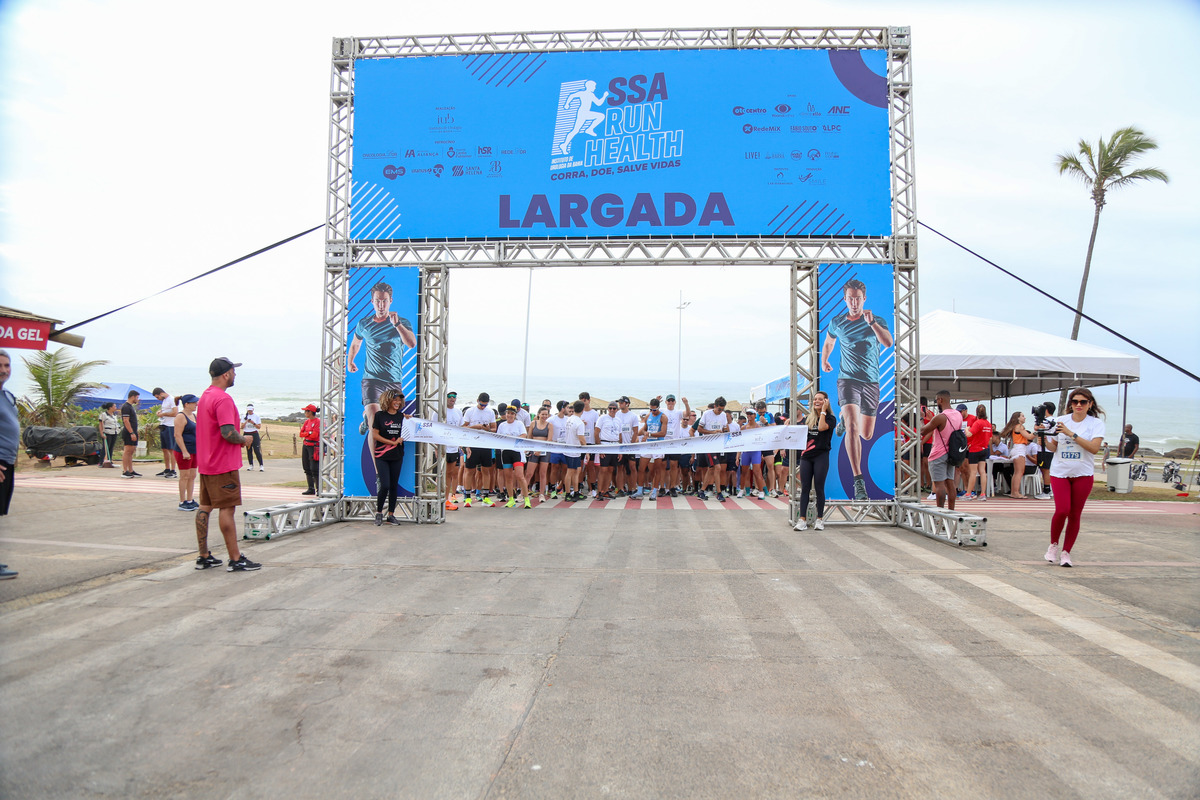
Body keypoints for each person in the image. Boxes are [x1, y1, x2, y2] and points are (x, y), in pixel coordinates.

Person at [822, 278, 893, 501]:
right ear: (845, 299)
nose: (854, 302)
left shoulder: (876, 320)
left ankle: (844, 418)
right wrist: (825, 359)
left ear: (864, 299)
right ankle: (858, 481)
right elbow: (829, 342)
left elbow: (888, 343)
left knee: (866, 434)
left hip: (871, 382)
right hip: (847, 380)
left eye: (858, 299)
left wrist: (872, 324)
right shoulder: (837, 322)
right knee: (853, 428)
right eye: (850, 299)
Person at [195, 357, 260, 572]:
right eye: (233, 371)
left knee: (205, 506)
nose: (235, 375)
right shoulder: (223, 399)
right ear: (226, 374)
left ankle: (204, 555)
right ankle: (235, 558)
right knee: (227, 508)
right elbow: (227, 432)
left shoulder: (205, 396)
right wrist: (244, 440)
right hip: (223, 463)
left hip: (207, 462)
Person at [1044, 388, 1106, 567]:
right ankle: (1053, 545)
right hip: (1060, 472)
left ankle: (1066, 553)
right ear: (1070, 404)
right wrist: (1043, 438)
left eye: (1083, 402)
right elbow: (1053, 448)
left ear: (1090, 404)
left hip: (1083, 474)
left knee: (1075, 514)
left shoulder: (1095, 424)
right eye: (1075, 401)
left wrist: (1071, 433)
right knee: (1062, 510)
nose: (1078, 405)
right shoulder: (1060, 421)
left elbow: (1094, 448)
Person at [347, 280, 416, 438]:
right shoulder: (364, 324)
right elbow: (355, 344)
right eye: (377, 301)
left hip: (393, 379)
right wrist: (350, 361)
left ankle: (366, 418)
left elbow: (411, 344)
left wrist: (397, 324)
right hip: (372, 378)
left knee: (387, 418)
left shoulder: (402, 322)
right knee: (375, 419)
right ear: (372, 301)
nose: (381, 305)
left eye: (384, 301)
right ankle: (370, 421)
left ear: (390, 301)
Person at [794, 391, 836, 530]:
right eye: (815, 399)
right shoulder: (808, 418)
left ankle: (819, 519)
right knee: (805, 487)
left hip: (821, 456)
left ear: (826, 401)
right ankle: (802, 520)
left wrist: (823, 411)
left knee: (819, 488)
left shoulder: (830, 418)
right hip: (806, 457)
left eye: (820, 399)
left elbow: (822, 427)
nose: (816, 401)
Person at [919, 390, 963, 510]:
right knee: (950, 483)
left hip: (938, 453)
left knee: (939, 485)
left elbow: (923, 431)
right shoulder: (958, 415)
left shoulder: (941, 417)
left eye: (936, 400)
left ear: (940, 400)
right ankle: (951, 511)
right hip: (952, 453)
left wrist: (922, 418)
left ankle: (940, 512)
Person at [371, 389, 407, 525]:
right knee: (385, 485)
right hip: (382, 455)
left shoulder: (402, 417)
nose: (397, 402)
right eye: (395, 400)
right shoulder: (380, 415)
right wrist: (392, 442)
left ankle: (391, 514)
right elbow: (375, 435)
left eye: (399, 400)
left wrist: (410, 420)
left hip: (397, 455)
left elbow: (411, 430)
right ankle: (379, 513)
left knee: (393, 486)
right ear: (388, 400)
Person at [461, 392, 497, 507]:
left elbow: (494, 429)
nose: (483, 407)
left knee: (486, 470)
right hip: (473, 444)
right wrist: (475, 427)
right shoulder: (470, 411)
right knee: (469, 470)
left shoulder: (490, 412)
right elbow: (463, 427)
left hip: (485, 444)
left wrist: (487, 429)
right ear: (477, 401)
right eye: (481, 405)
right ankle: (467, 497)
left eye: (485, 405)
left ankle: (485, 497)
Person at [0, 350, 18, 579]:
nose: (4, 370)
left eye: (7, 365)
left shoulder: (6, 396)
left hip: (7, 461)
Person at [497, 405, 533, 508]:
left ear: (515, 415)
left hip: (517, 452)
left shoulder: (519, 423)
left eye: (512, 414)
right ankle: (511, 499)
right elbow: (498, 437)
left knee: (520, 475)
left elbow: (523, 435)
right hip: (505, 452)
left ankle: (526, 499)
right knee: (508, 477)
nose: (509, 415)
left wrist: (512, 439)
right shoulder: (502, 425)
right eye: (508, 413)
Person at [698, 397, 732, 502]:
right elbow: (699, 429)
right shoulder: (706, 414)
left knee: (711, 469)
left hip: (718, 445)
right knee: (717, 468)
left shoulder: (723, 415)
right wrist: (712, 432)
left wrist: (725, 430)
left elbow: (725, 428)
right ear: (715, 406)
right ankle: (718, 493)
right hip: (709, 444)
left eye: (722, 409)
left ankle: (702, 491)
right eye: (719, 409)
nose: (720, 411)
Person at [173, 394, 200, 511]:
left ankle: (190, 499)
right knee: (184, 476)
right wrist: (184, 451)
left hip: (194, 450)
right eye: (194, 403)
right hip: (184, 450)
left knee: (192, 475)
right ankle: (182, 501)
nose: (196, 405)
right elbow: (177, 435)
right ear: (186, 404)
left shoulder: (194, 416)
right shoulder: (181, 416)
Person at [998, 411, 1034, 499]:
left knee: (1016, 472)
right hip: (1020, 449)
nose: (1024, 418)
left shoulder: (1015, 427)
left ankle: (1014, 492)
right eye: (1022, 416)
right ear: (1018, 418)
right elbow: (1029, 437)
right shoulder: (1020, 427)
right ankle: (1016, 492)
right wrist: (1036, 431)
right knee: (1019, 472)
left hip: (1017, 449)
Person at [963, 405, 994, 501]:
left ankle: (968, 493)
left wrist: (966, 429)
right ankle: (983, 494)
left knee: (973, 472)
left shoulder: (978, 423)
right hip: (984, 449)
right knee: (982, 472)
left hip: (975, 449)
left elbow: (969, 434)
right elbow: (990, 437)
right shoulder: (988, 424)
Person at [561, 400, 587, 501]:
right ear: (583, 409)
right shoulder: (579, 423)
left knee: (577, 471)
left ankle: (576, 492)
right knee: (570, 471)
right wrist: (587, 450)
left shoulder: (569, 419)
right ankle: (568, 493)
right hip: (572, 450)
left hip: (572, 449)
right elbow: (581, 439)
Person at [526, 405, 553, 503]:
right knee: (529, 473)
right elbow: (529, 437)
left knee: (543, 473)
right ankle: (522, 493)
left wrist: (541, 450)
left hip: (544, 451)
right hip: (534, 450)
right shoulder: (533, 423)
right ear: (538, 414)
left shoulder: (549, 425)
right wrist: (530, 449)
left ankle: (542, 494)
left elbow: (549, 440)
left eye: (546, 414)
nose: (544, 416)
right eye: (543, 414)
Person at [443, 391, 463, 508]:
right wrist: (437, 447)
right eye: (450, 396)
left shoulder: (458, 412)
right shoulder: (439, 411)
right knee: (442, 473)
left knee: (450, 473)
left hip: (454, 447)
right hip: (443, 447)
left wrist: (463, 445)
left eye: (454, 397)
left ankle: (447, 498)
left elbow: (461, 429)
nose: (452, 399)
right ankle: (441, 498)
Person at [153, 388, 178, 478]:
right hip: (163, 425)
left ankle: (173, 470)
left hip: (170, 426)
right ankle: (167, 468)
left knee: (171, 449)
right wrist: (160, 412)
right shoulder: (164, 401)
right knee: (164, 449)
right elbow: (166, 410)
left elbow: (175, 412)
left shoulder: (172, 399)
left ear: (161, 394)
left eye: (158, 397)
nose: (158, 399)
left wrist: (163, 414)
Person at [300, 404, 321, 495]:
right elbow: (301, 433)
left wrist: (307, 433)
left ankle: (319, 488)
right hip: (306, 445)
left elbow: (315, 435)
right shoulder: (306, 422)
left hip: (314, 446)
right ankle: (311, 488)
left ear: (311, 412)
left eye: (306, 411)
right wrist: (309, 433)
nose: (305, 413)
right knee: (306, 467)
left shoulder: (317, 421)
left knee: (314, 468)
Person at [120, 389, 142, 478]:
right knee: (127, 451)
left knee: (131, 451)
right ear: (132, 397)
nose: (137, 399)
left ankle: (131, 470)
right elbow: (126, 420)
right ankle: (125, 470)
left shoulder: (131, 407)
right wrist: (131, 432)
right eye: (137, 397)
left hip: (133, 431)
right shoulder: (126, 407)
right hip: (128, 432)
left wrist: (135, 432)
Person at [98, 402, 121, 468]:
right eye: (114, 406)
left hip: (114, 432)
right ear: (110, 407)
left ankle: (109, 460)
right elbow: (101, 424)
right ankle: (101, 462)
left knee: (111, 447)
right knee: (105, 447)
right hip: (107, 432)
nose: (115, 408)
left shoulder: (114, 415)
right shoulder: (104, 415)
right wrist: (102, 433)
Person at [242, 403, 264, 471]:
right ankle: (251, 465)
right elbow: (242, 427)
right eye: (249, 410)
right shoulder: (244, 416)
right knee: (249, 450)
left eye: (251, 410)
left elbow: (259, 426)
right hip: (247, 433)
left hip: (254, 433)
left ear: (253, 409)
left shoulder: (256, 416)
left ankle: (261, 465)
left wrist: (253, 423)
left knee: (257, 450)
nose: (250, 411)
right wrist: (246, 421)